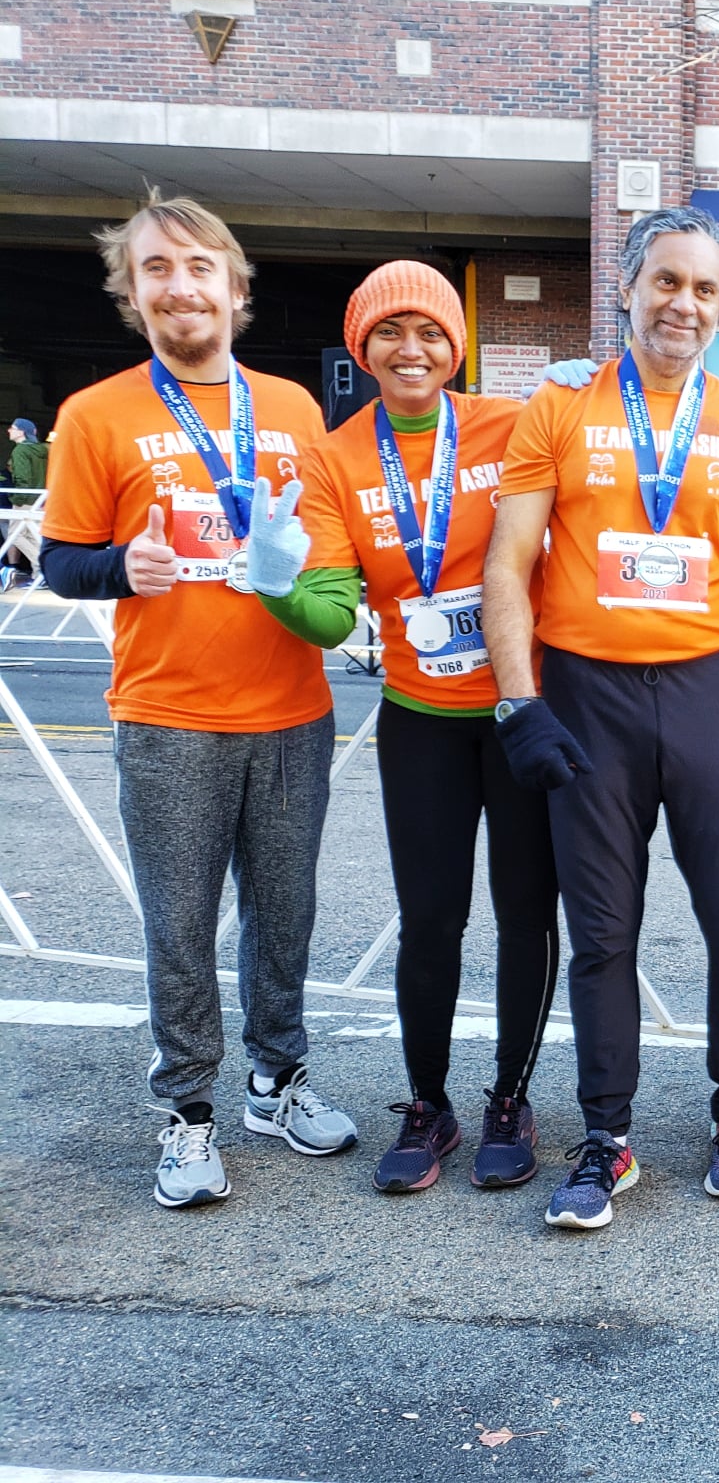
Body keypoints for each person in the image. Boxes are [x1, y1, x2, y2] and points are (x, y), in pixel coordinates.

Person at [485, 205, 719, 1230]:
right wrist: (519, 701)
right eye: (668, 281)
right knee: (602, 937)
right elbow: (508, 564)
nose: (685, 304)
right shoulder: (560, 408)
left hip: (712, 693)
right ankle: (606, 1138)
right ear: (627, 288)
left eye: (706, 289)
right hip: (591, 697)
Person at [39, 193, 356, 1209]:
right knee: (180, 928)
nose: (180, 286)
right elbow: (59, 561)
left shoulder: (293, 410)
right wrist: (118, 567)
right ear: (132, 293)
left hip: (292, 711)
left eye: (199, 267)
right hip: (168, 716)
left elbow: (319, 551)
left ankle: (276, 1080)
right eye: (157, 269)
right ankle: (186, 1111)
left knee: (285, 917)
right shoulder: (96, 415)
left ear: (235, 287)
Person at [253, 261, 561, 1195]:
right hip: (421, 719)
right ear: (362, 348)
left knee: (525, 913)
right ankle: (429, 1104)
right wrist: (278, 586)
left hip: (520, 711)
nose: (411, 348)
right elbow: (333, 615)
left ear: (455, 347)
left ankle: (511, 1097)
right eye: (389, 331)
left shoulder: (510, 424)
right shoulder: (337, 458)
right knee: (431, 921)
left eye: (430, 331)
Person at [3, 417, 48, 587]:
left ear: (21, 432)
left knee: (15, 535)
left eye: (12, 428)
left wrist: (16, 499)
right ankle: (40, 575)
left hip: (25, 500)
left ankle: (42, 567)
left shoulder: (20, 451)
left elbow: (23, 479)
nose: (9, 430)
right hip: (41, 499)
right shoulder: (42, 450)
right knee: (34, 536)